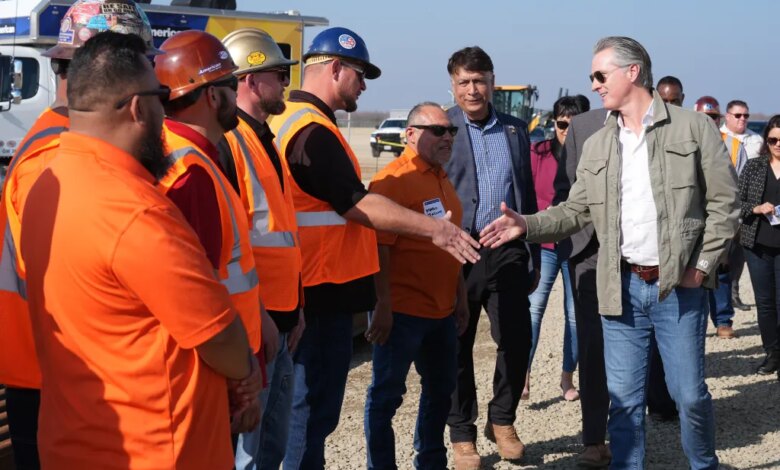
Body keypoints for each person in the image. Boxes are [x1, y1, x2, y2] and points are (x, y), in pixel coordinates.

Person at [481, 36, 738, 469]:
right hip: (619, 290)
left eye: (601, 75)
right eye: (593, 77)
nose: (595, 84)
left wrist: (702, 265)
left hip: (678, 288)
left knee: (690, 395)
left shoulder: (693, 129)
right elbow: (575, 209)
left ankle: (703, 464)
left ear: (632, 72)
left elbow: (725, 204)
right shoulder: (599, 143)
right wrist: (526, 224)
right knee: (623, 402)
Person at [20, 31, 260, 469]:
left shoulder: (47, 187)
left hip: (73, 440)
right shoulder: (135, 211)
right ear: (137, 107)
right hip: (158, 448)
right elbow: (218, 335)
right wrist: (247, 372)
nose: (164, 110)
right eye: (160, 96)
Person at [270, 27, 480, 469]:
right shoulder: (312, 132)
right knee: (307, 420)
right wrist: (434, 230)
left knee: (304, 419)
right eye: (360, 75)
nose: (364, 86)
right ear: (334, 69)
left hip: (307, 288)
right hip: (318, 291)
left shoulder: (290, 120)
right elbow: (356, 204)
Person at [0, 2, 159, 468]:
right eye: (142, 64)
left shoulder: (66, 146)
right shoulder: (54, 157)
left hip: (64, 371)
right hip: (56, 377)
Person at [153, 29, 265, 433]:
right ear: (212, 96)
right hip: (219, 377)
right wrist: (242, 384)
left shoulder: (192, 157)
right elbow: (199, 298)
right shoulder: (190, 175)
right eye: (231, 84)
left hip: (231, 362)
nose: (238, 96)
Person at [443, 46, 539, 468]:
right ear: (452, 85)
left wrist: (531, 250)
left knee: (517, 339)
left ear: (493, 82)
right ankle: (462, 433)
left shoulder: (517, 131)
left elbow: (528, 195)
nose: (472, 89)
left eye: (479, 81)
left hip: (507, 250)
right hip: (458, 251)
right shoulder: (440, 128)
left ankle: (502, 420)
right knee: (457, 344)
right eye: (464, 82)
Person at [217, 28, 305, 469]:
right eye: (277, 75)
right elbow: (234, 248)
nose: (285, 84)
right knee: (248, 456)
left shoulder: (264, 139)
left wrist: (298, 303)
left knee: (272, 447)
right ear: (251, 80)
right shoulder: (231, 144)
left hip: (282, 321)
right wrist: (265, 318)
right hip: (258, 326)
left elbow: (282, 234)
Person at [364, 102, 468, 469]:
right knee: (386, 397)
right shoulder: (392, 181)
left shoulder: (441, 176)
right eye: (437, 130)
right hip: (404, 313)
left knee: (440, 392)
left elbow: (450, 241)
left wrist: (461, 297)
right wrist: (383, 305)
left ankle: (430, 460)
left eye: (450, 131)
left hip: (441, 312)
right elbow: (379, 247)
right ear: (410, 134)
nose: (447, 137)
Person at [524, 95, 589, 403]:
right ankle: (522, 374)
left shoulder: (593, 156)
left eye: (574, 124)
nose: (567, 129)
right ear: (554, 124)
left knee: (575, 316)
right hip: (545, 244)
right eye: (562, 124)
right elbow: (526, 194)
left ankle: (567, 378)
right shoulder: (537, 153)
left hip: (578, 245)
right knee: (533, 310)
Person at [693, 96, 748, 339]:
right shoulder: (687, 140)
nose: (710, 121)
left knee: (722, 268)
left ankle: (723, 319)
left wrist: (736, 220)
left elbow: (740, 186)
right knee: (694, 270)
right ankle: (695, 324)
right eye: (705, 117)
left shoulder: (733, 145)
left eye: (714, 117)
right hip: (694, 217)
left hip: (721, 215)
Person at [737, 114, 780, 380]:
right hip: (757, 244)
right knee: (765, 303)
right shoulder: (754, 167)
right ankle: (772, 354)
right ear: (766, 140)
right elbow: (734, 203)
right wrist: (755, 207)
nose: (778, 144)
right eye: (773, 139)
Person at [721, 99, 760, 311]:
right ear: (728, 116)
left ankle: (734, 293)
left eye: (746, 115)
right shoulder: (717, 137)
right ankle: (717, 302)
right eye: (738, 115)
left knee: (739, 254)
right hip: (722, 203)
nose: (742, 119)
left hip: (747, 206)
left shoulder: (757, 141)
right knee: (720, 254)